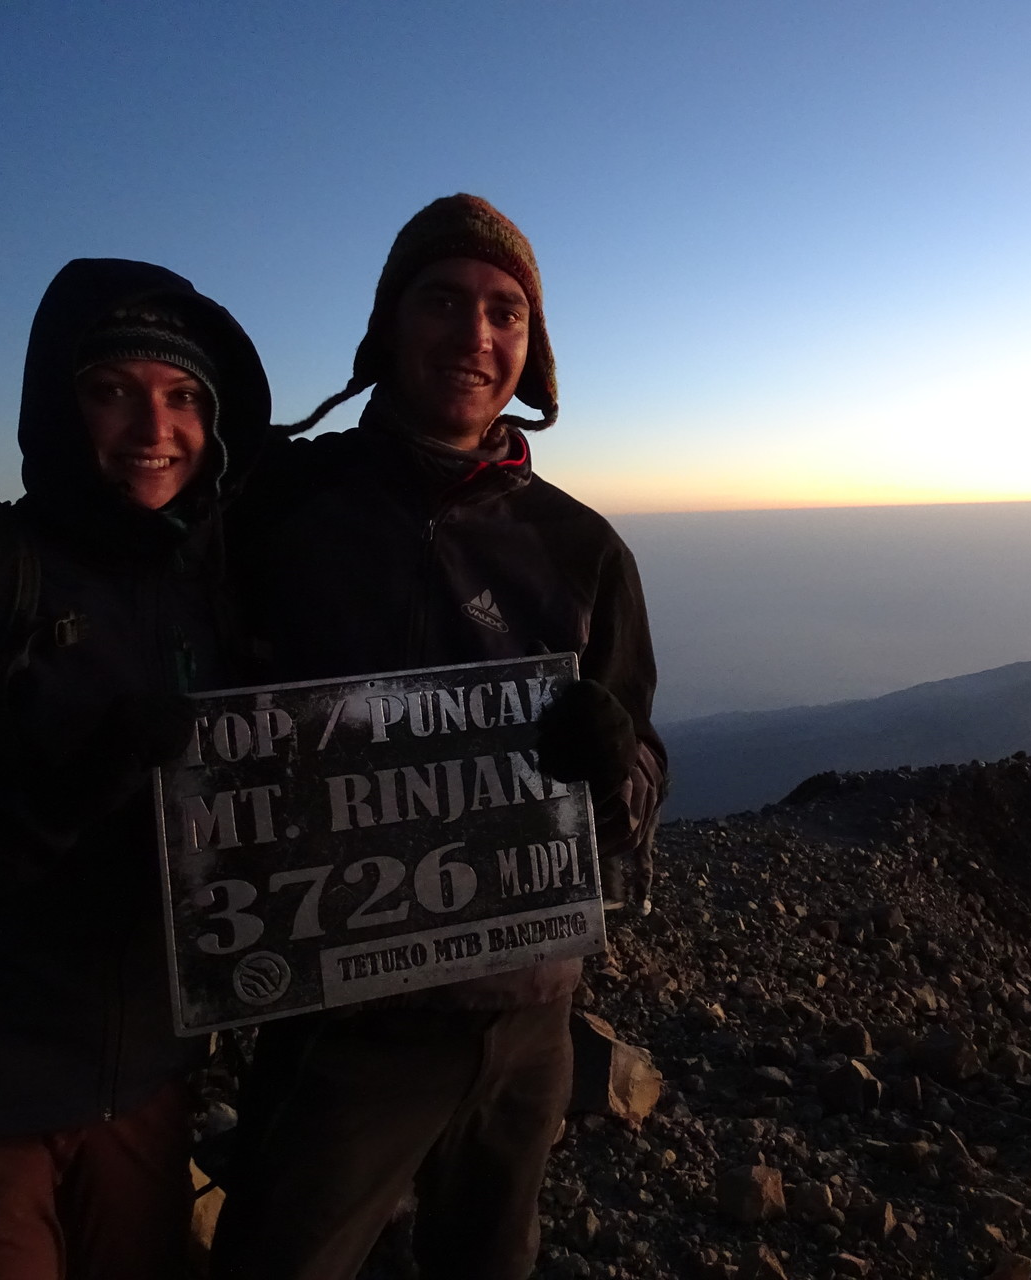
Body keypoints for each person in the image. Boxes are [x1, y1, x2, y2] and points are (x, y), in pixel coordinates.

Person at [209, 194, 666, 1280]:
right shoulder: (280, 509)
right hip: (341, 1016)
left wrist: (616, 761)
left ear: (532, 348)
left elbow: (643, 767)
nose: (476, 334)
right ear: (389, 325)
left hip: (530, 1018)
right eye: (445, 301)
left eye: (506, 312)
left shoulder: (580, 545)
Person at [0, 258, 270, 1279]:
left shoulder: (208, 595)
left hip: (141, 1091)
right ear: (53, 406)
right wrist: (58, 800)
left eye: (186, 396)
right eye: (112, 390)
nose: (156, 429)